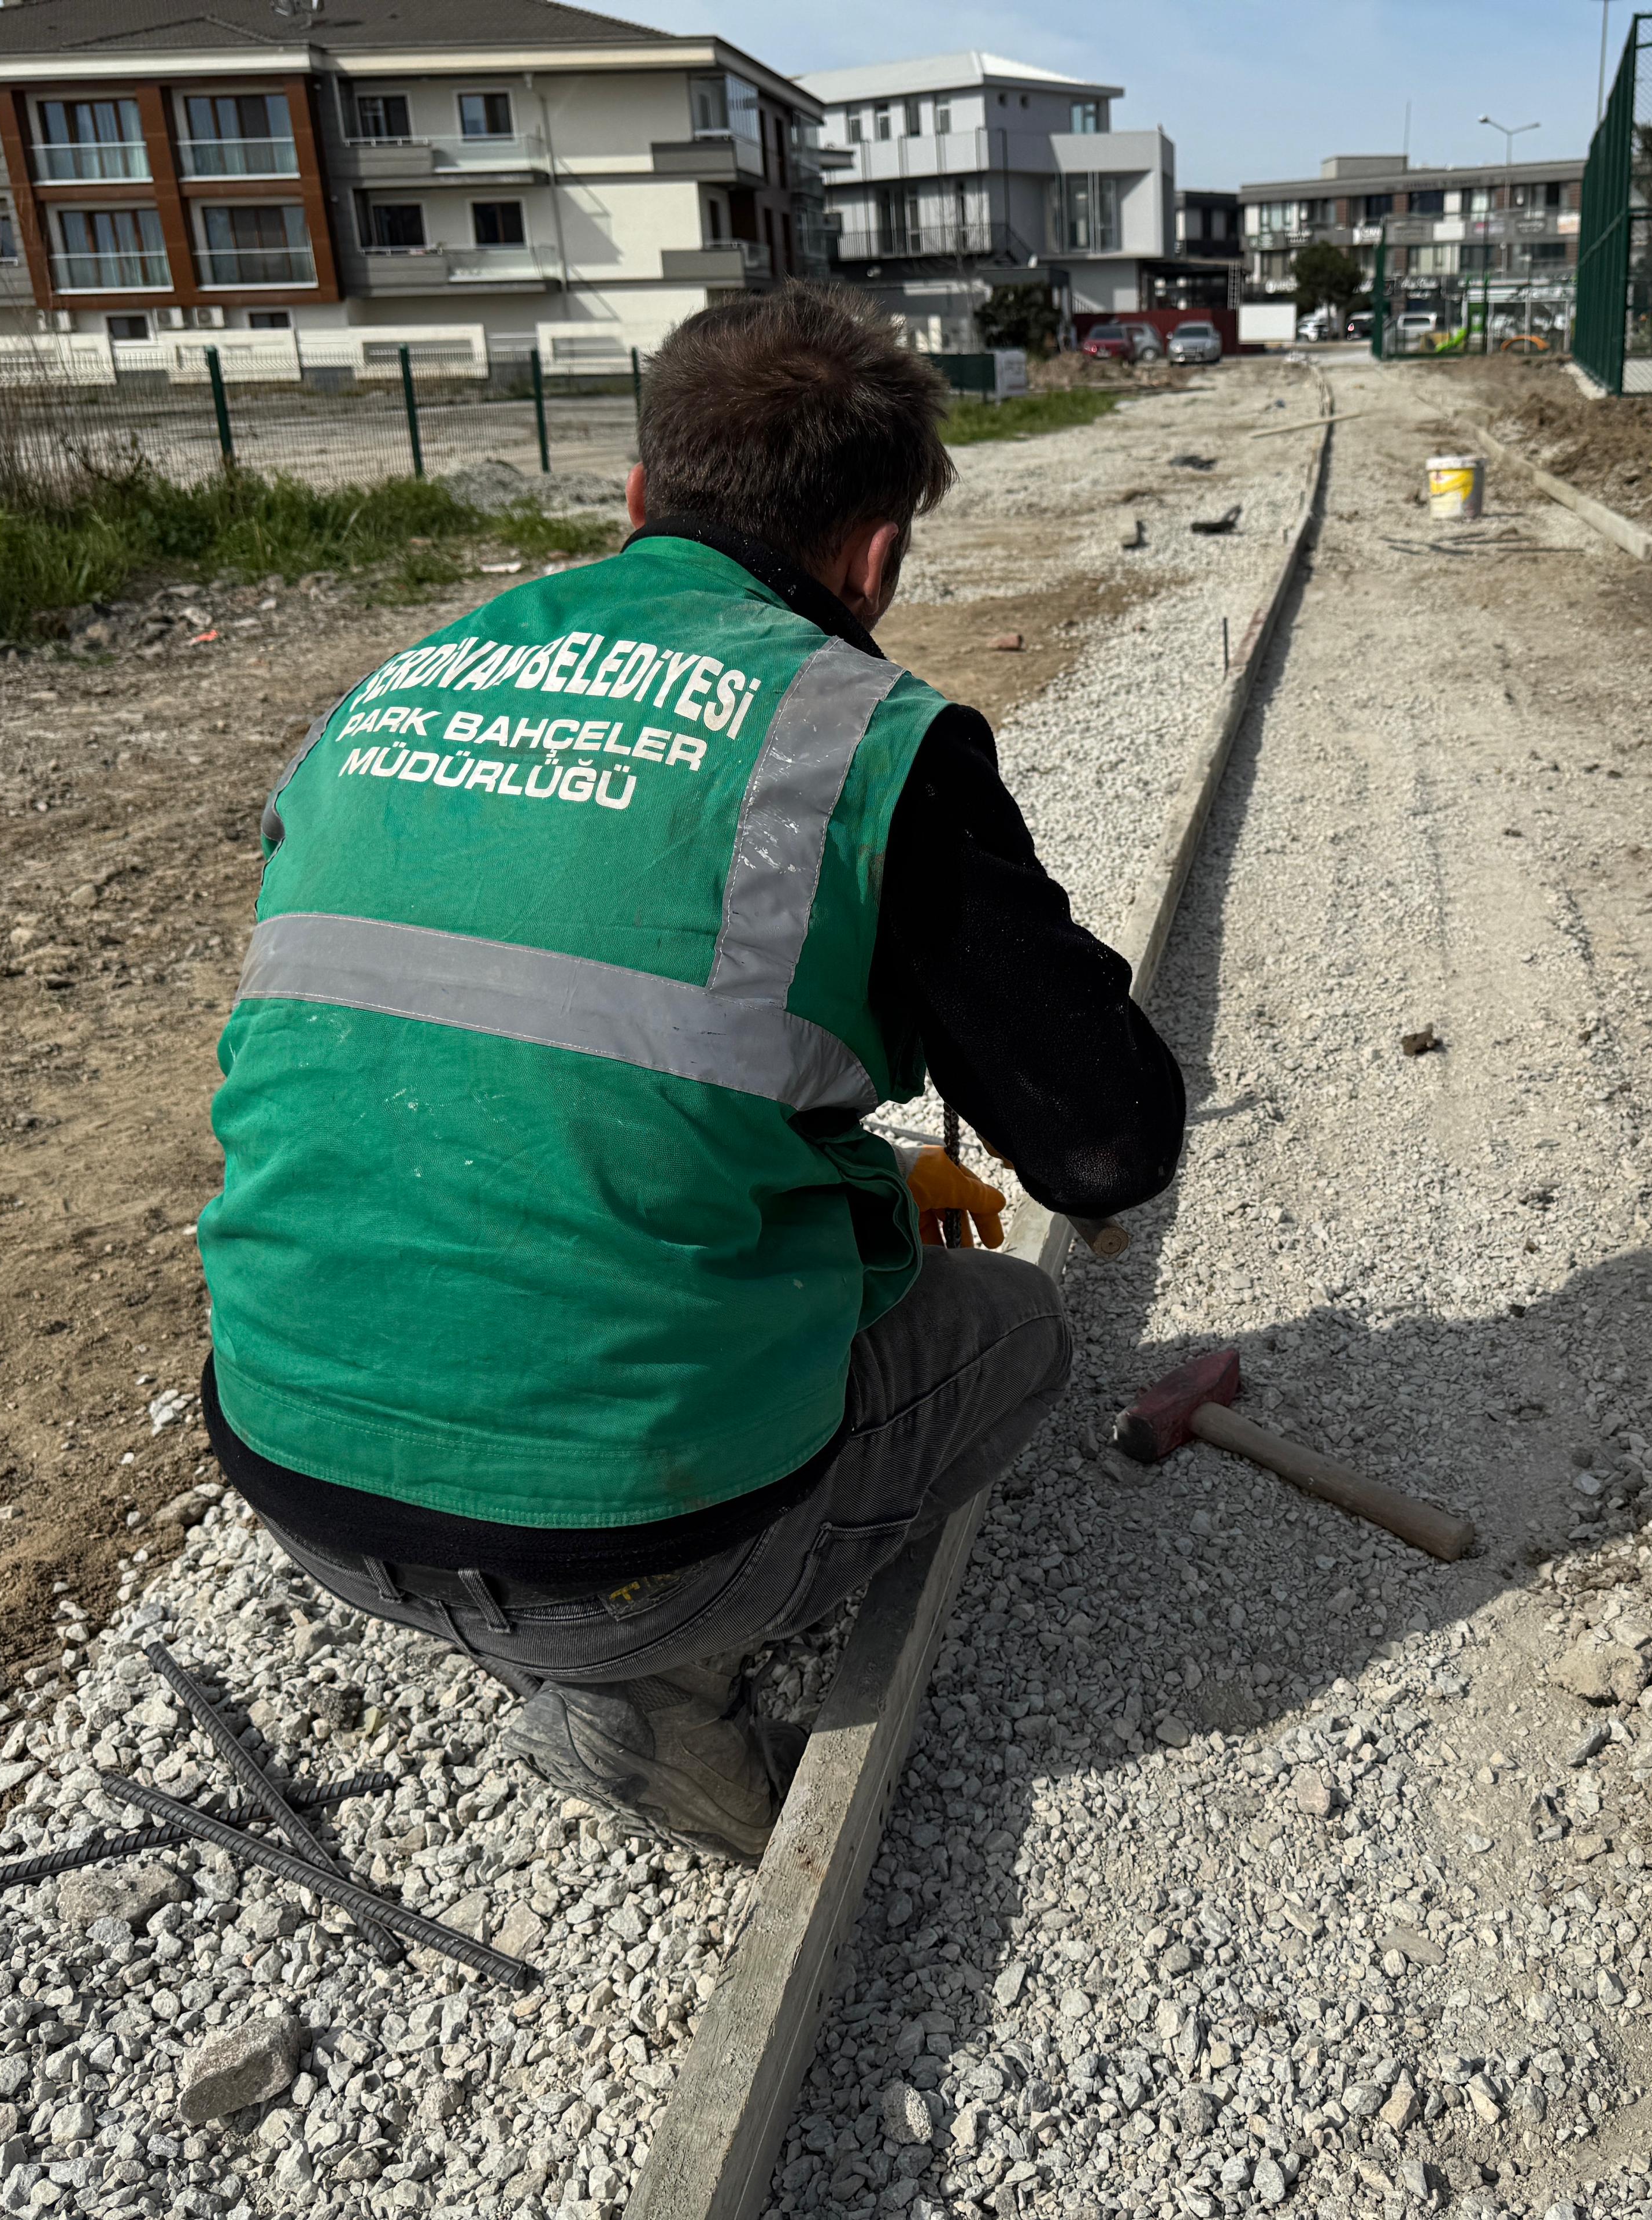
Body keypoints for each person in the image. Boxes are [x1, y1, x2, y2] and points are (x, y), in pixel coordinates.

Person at [193, 287, 1184, 1864]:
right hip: (612, 1550)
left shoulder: (399, 683)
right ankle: (657, 1684)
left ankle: (589, 1609)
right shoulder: (863, 741)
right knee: (1012, 1334)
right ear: (874, 558)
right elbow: (1108, 1149)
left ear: (640, 500)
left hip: (291, 1468)